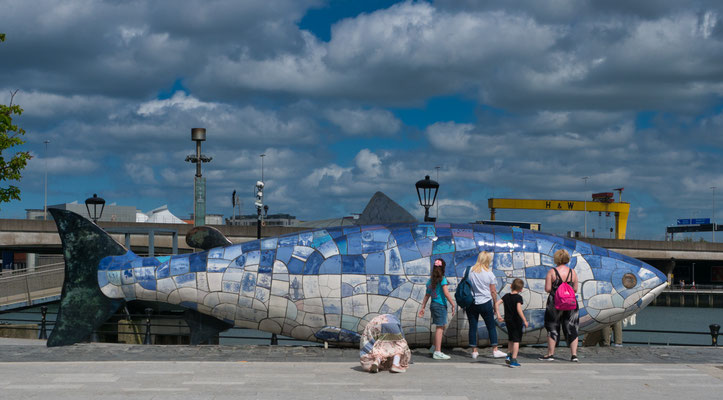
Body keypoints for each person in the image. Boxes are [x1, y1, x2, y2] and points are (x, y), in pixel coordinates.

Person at [539, 249, 580, 362]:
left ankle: (550, 354)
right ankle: (574, 355)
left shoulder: (552, 272)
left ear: (556, 259)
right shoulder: (573, 272)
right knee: (572, 326)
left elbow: (547, 289)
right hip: (571, 303)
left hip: (555, 303)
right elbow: (575, 289)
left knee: (552, 326)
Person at [465, 251, 506, 359]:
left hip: (471, 302)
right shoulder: (489, 274)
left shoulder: (468, 271)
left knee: (472, 327)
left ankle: (474, 351)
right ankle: (495, 350)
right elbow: (493, 291)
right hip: (485, 302)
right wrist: (494, 304)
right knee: (491, 326)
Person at [418, 258, 456, 360]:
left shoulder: (430, 281)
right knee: (440, 328)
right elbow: (446, 293)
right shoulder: (442, 279)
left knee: (440, 326)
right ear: (443, 268)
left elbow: (427, 295)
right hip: (440, 305)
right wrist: (453, 304)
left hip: (434, 305)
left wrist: (423, 307)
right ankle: (438, 352)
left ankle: (433, 348)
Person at [496, 278, 528, 368]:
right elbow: (518, 309)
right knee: (516, 340)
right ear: (521, 289)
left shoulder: (506, 296)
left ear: (511, 286)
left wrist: (498, 315)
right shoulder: (518, 297)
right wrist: (524, 320)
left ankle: (509, 355)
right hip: (516, 321)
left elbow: (496, 304)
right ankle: (514, 359)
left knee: (510, 338)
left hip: (508, 321)